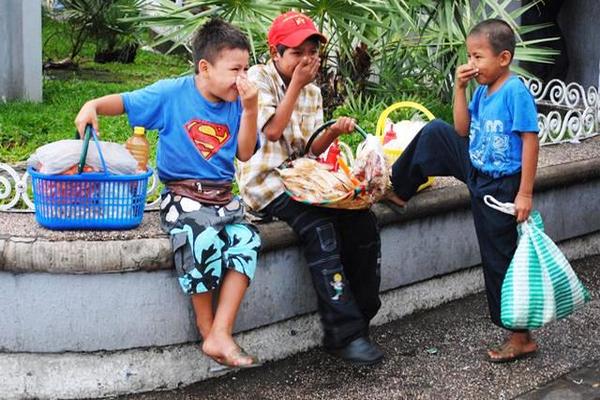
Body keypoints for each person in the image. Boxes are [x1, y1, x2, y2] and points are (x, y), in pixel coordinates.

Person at [74, 19, 262, 369]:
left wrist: (250, 110)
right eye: (236, 69)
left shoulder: (239, 102)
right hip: (183, 196)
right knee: (200, 237)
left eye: (246, 68)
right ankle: (208, 330)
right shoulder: (172, 94)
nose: (243, 78)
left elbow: (246, 152)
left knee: (247, 239)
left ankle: (222, 329)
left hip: (223, 199)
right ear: (205, 68)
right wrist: (93, 105)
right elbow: (127, 101)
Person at [386, 19, 540, 363]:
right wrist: (458, 88)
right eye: (470, 56)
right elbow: (460, 129)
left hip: (501, 185)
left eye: (478, 57)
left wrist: (525, 194)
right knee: (437, 132)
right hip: (476, 167)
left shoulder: (515, 91)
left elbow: (531, 141)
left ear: (503, 58)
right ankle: (399, 188)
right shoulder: (483, 90)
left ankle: (520, 336)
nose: (472, 65)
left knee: (499, 258)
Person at [236, 11, 384, 366]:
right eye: (297, 52)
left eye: (313, 52)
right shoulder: (259, 79)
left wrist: (333, 131)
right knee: (320, 229)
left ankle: (360, 315)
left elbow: (310, 149)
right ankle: (343, 334)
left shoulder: (313, 92)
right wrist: (297, 86)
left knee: (361, 220)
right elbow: (271, 131)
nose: (307, 60)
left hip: (302, 178)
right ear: (275, 53)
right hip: (266, 184)